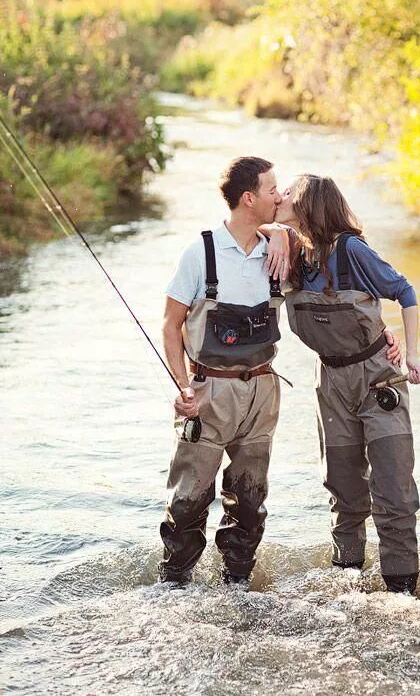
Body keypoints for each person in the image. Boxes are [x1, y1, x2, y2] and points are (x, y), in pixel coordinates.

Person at [274, 173, 420, 595]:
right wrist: (275, 233)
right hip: (330, 382)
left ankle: (402, 592)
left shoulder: (352, 249)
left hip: (379, 377)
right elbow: (245, 226)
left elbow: (405, 292)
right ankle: (349, 586)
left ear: (308, 205)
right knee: (343, 490)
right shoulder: (290, 253)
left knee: (393, 490)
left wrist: (411, 353)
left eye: (288, 192)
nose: (280, 196)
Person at [158, 156, 290, 585]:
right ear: (249, 198)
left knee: (250, 499)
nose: (279, 195)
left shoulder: (279, 249)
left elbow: (326, 249)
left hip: (263, 391)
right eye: (272, 189)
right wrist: (182, 387)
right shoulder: (201, 252)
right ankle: (174, 586)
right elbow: (171, 325)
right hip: (208, 393)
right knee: (189, 501)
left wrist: (284, 233)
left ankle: (237, 586)